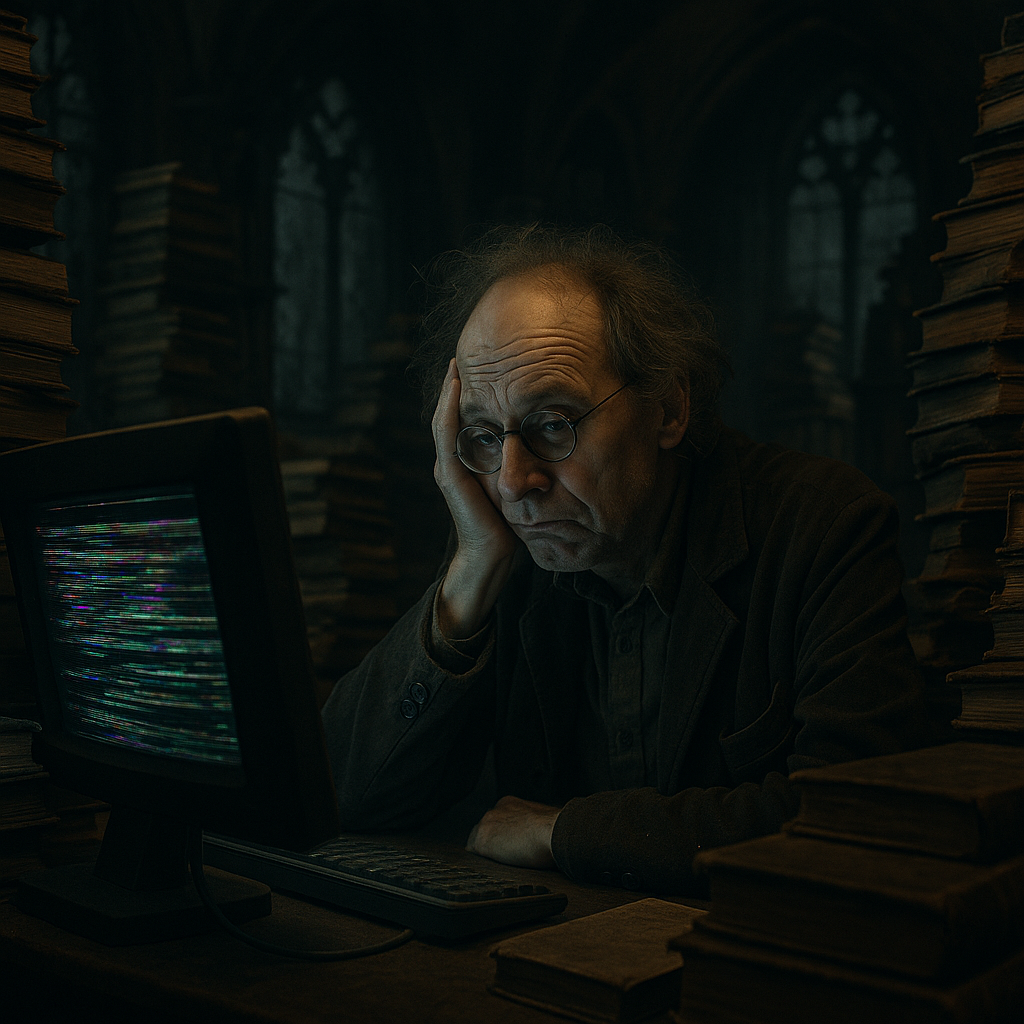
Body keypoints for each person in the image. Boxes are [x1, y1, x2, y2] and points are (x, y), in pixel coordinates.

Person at [321, 223, 934, 895]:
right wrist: (469, 573)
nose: (512, 481)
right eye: (484, 436)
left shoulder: (825, 527)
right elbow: (341, 795)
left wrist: (565, 832)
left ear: (668, 407)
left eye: (554, 423)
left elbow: (859, 822)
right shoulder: (505, 546)